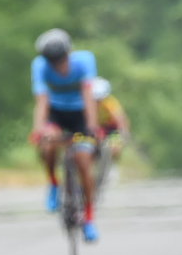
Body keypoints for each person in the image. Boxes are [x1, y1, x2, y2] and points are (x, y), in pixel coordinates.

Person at [28, 28, 102, 242]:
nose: (58, 66)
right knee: (49, 144)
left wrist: (92, 126)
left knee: (83, 161)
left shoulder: (85, 60)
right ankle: (52, 182)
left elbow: (89, 96)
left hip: (80, 114)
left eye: (61, 60)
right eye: (53, 62)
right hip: (56, 114)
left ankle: (88, 218)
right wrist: (39, 129)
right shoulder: (39, 66)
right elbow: (41, 100)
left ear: (69, 54)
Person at [90, 77, 131, 161]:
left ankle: (112, 164)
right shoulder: (87, 103)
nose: (98, 102)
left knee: (115, 147)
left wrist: (123, 133)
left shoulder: (110, 103)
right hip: (97, 127)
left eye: (100, 99)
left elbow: (120, 119)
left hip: (112, 128)